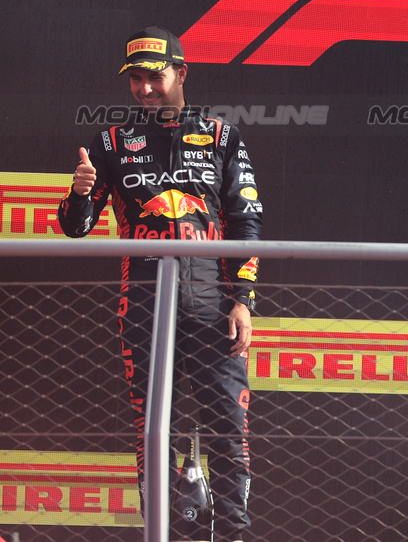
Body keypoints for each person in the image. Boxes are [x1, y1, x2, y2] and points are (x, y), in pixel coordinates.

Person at [58, 27, 262, 542]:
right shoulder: (112, 141)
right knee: (154, 434)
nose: (145, 88)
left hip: (213, 305)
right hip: (144, 306)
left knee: (229, 432)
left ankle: (233, 535)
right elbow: (76, 226)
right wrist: (79, 194)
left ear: (181, 73)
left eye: (155, 76)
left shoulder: (221, 136)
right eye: (136, 80)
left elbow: (246, 221)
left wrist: (243, 300)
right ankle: (160, 534)